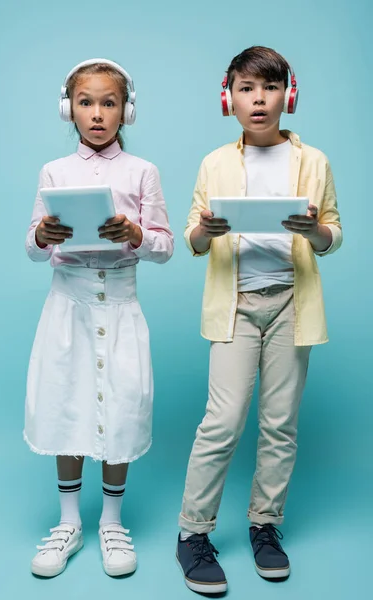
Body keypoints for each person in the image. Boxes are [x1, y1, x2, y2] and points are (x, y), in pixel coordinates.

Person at [176, 46, 342, 593]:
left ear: (286, 96)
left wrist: (313, 230)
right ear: (230, 98)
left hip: (293, 303)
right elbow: (192, 240)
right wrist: (207, 230)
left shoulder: (313, 161)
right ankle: (192, 533)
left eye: (269, 88)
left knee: (280, 426)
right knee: (221, 423)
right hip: (237, 306)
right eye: (247, 89)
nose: (259, 99)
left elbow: (331, 235)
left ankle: (265, 526)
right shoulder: (215, 162)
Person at [24, 58, 174, 579]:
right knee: (66, 403)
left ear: (125, 111)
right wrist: (43, 236)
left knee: (123, 408)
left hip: (121, 304)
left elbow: (164, 247)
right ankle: (69, 521)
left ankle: (112, 520)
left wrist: (135, 235)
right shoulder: (54, 172)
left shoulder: (142, 172)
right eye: (85, 102)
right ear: (69, 108)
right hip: (68, 307)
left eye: (108, 103)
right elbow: (32, 246)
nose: (96, 113)